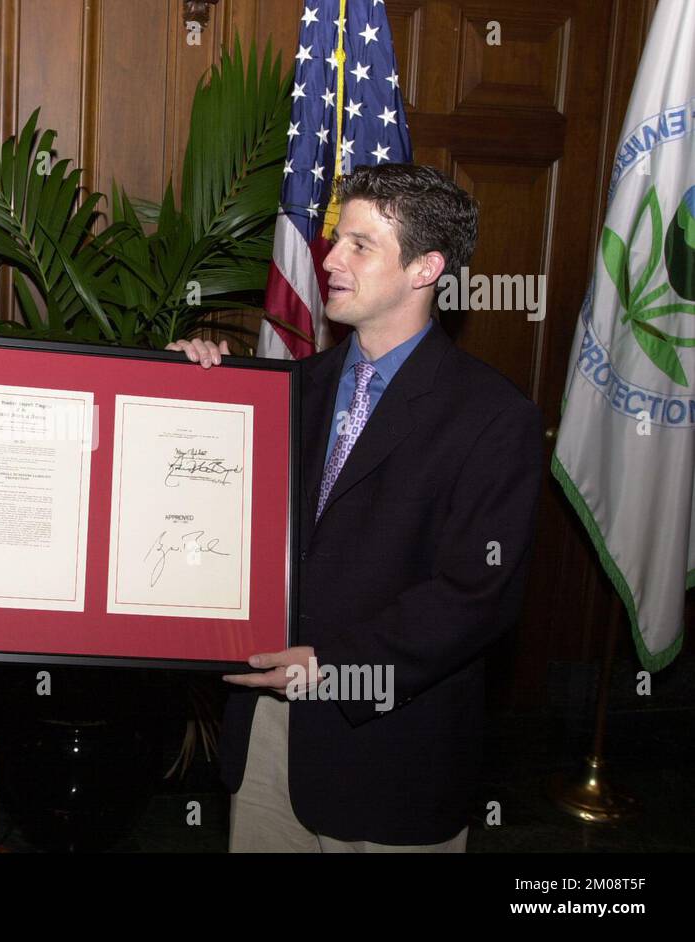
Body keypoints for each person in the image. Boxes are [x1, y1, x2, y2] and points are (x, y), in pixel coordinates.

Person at [170, 163, 543, 851]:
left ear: (426, 268)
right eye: (335, 239)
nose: (331, 259)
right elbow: (210, 511)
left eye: (360, 246)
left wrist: (333, 666)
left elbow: (475, 596)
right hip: (268, 743)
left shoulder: (493, 418)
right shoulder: (289, 389)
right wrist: (186, 391)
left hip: (391, 756)